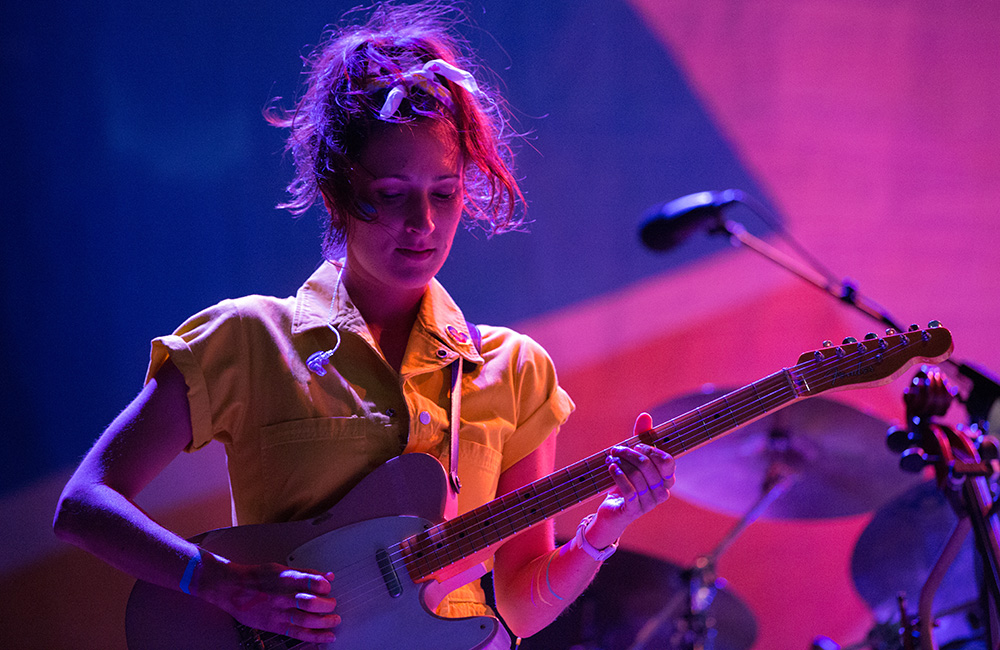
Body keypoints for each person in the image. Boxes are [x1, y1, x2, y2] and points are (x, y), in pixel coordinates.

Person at [53, 2, 676, 645]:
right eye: (390, 193)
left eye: (444, 192)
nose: (423, 224)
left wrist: (606, 526)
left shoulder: (515, 369)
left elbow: (519, 604)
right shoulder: (245, 338)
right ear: (335, 189)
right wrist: (215, 580)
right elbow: (85, 504)